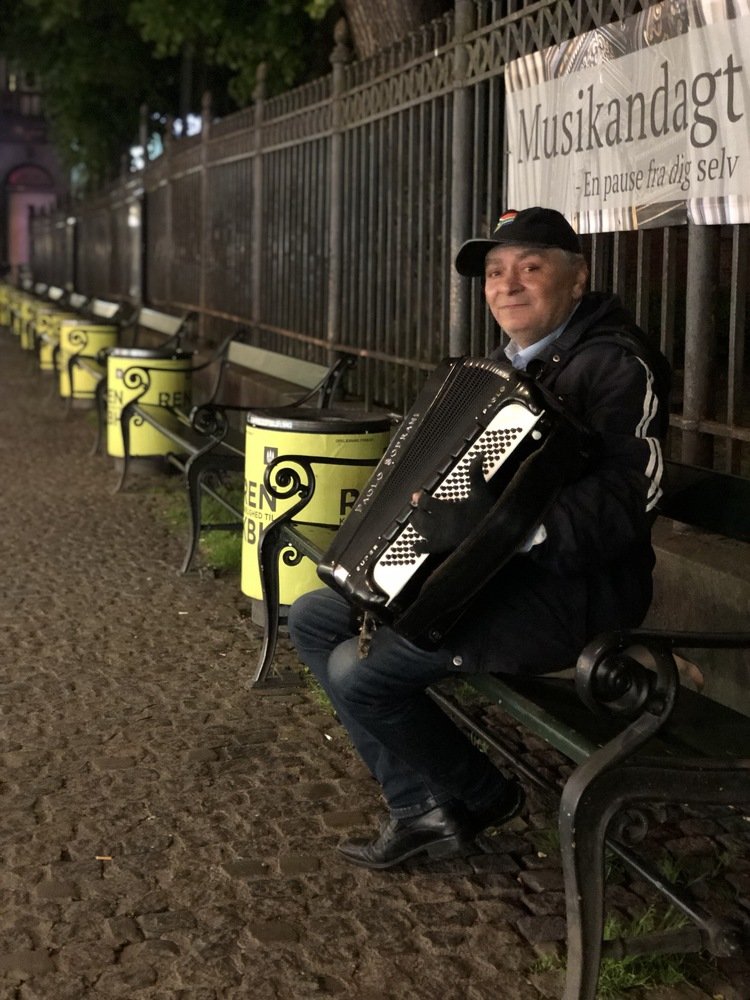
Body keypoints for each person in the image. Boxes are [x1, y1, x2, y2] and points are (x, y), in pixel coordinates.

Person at [287, 206, 670, 870]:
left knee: (362, 673)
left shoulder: (618, 365)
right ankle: (424, 808)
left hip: (573, 594)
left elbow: (629, 502)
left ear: (577, 281)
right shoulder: (497, 373)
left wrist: (507, 532)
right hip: (486, 579)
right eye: (495, 271)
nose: (508, 284)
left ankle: (478, 794)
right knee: (317, 616)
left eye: (530, 267)